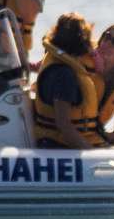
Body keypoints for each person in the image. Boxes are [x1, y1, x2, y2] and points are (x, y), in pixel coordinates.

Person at [31, 13, 107, 149]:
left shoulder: (56, 61)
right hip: (59, 146)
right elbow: (64, 125)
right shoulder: (63, 74)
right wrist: (93, 155)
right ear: (84, 43)